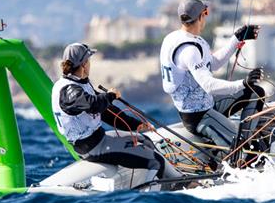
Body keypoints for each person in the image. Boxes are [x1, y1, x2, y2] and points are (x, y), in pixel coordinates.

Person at [51, 42, 182, 188]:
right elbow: (94, 105)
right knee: (155, 160)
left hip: (100, 139)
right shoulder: (69, 91)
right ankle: (180, 185)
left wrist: (136, 125)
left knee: (146, 141)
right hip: (91, 147)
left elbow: (107, 112)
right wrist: (109, 95)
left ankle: (169, 179)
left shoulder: (80, 84)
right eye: (89, 61)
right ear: (84, 64)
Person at [160, 0, 266, 152]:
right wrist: (242, 83)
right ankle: (242, 149)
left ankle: (245, 139)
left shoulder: (179, 38)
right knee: (244, 150)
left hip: (209, 105)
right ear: (202, 15)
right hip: (199, 117)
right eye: (206, 13)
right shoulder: (189, 51)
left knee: (256, 92)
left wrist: (236, 39)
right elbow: (209, 85)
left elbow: (213, 63)